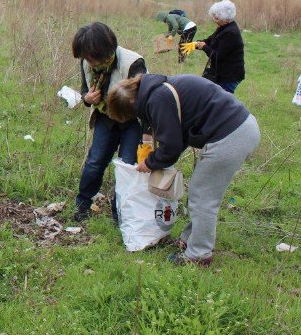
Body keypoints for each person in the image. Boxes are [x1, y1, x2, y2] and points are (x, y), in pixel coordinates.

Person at [106, 74, 260, 266]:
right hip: (237, 128)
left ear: (131, 104)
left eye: (132, 114)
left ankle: (198, 255)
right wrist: (158, 157)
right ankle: (189, 239)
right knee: (198, 193)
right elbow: (179, 135)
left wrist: (151, 162)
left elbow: (171, 147)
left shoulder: (158, 99)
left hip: (231, 135)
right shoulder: (156, 89)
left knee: (203, 197)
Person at [70, 22, 147, 223]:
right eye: (85, 58)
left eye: (91, 58)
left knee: (126, 167)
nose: (89, 62)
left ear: (106, 51)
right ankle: (82, 205)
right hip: (105, 118)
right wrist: (88, 98)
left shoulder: (133, 64)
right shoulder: (87, 62)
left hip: (132, 122)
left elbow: (144, 102)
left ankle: (119, 214)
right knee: (95, 162)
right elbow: (84, 91)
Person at [194, 0, 245, 94]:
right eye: (214, 17)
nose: (214, 20)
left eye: (217, 19)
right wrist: (195, 44)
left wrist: (204, 47)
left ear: (227, 19)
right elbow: (209, 41)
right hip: (220, 73)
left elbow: (218, 56)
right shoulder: (223, 28)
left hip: (229, 76)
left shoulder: (231, 33)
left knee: (221, 103)